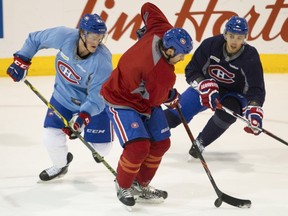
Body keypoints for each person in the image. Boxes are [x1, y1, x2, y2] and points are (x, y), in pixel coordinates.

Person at [100, 2, 193, 207]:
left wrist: (147, 29)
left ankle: (140, 184)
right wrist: (172, 96)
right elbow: (156, 100)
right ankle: (123, 185)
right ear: (169, 50)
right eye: (180, 55)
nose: (182, 58)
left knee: (161, 143)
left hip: (143, 98)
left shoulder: (161, 29)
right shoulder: (161, 73)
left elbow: (147, 6)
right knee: (138, 147)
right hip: (121, 100)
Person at [7, 14, 114, 181]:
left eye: (101, 37)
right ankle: (60, 165)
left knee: (101, 151)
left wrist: (83, 118)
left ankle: (89, 132)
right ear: (82, 33)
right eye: (94, 36)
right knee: (50, 136)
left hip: (91, 106)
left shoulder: (102, 61)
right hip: (62, 97)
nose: (97, 41)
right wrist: (21, 61)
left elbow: (98, 96)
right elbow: (35, 39)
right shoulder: (64, 36)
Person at [164, 16, 266, 159]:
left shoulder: (250, 57)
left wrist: (254, 109)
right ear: (225, 34)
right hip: (208, 87)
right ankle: (151, 132)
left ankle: (201, 142)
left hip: (234, 95)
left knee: (227, 113)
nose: (234, 41)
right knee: (178, 111)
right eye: (231, 36)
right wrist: (203, 84)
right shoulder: (210, 45)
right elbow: (191, 70)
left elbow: (256, 89)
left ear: (245, 38)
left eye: (239, 37)